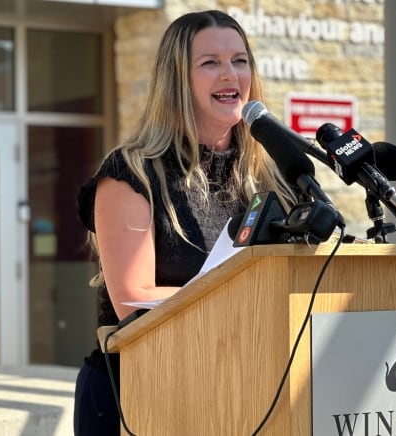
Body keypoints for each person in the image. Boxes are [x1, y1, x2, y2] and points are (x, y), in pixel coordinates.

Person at [73, 10, 299, 435]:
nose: (229, 75)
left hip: (245, 391)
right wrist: (248, 305)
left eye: (239, 60)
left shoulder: (271, 178)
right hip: (137, 391)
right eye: (209, 63)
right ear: (178, 79)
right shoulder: (133, 172)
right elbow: (133, 301)